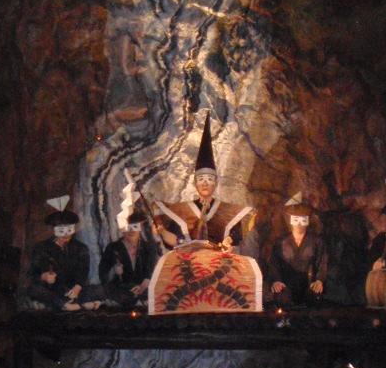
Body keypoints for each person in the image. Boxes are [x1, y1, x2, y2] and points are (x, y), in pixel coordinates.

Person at [153, 113, 254, 250]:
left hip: (218, 260)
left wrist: (228, 241)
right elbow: (176, 242)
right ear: (195, 184)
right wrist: (162, 231)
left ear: (215, 183)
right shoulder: (182, 211)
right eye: (201, 179)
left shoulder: (227, 211)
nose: (205, 183)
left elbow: (235, 236)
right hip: (190, 260)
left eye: (209, 179)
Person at [25, 198, 103, 311]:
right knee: (34, 290)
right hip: (52, 290)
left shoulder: (81, 248)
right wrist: (44, 277)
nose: (66, 235)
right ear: (53, 230)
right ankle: (70, 306)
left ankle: (74, 303)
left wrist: (77, 288)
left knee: (99, 290)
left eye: (69, 230)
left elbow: (83, 273)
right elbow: (32, 274)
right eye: (61, 231)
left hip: (74, 290)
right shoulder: (41, 248)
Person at [265, 195, 327, 308]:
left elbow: (322, 263)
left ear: (307, 221)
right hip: (286, 286)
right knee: (282, 299)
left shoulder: (316, 241)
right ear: (291, 221)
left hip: (308, 285)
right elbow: (274, 264)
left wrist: (319, 280)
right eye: (296, 220)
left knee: (315, 298)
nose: (299, 223)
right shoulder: (281, 242)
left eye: (303, 220)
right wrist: (276, 280)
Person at [98, 210, 156, 308]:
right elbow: (102, 273)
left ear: (140, 229)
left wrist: (144, 284)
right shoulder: (113, 248)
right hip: (120, 290)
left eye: (135, 227)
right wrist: (114, 271)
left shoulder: (149, 248)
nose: (131, 231)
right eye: (127, 227)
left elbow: (152, 271)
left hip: (144, 290)